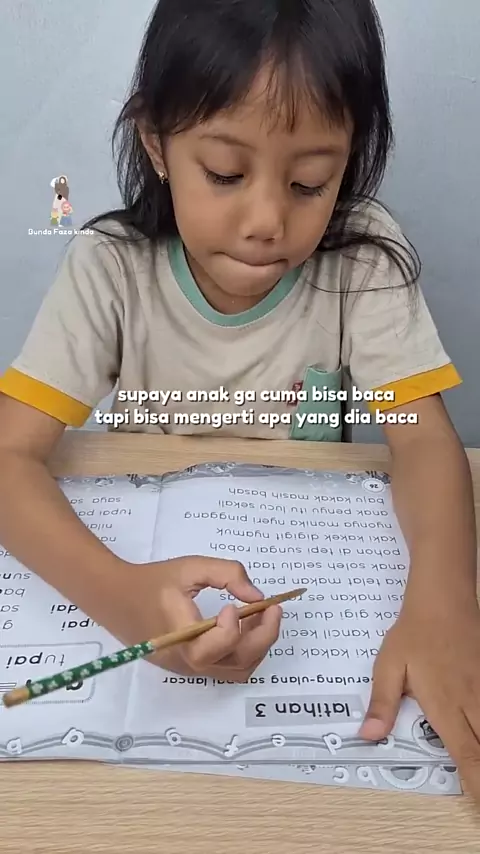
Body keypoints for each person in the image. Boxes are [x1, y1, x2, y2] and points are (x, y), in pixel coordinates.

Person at [0, 0, 479, 799]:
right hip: (154, 574)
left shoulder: (363, 263)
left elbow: (422, 439)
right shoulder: (110, 267)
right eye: (225, 174)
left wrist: (445, 603)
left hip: (305, 586)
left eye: (309, 182)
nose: (266, 221)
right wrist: (122, 597)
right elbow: (7, 455)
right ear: (156, 142)